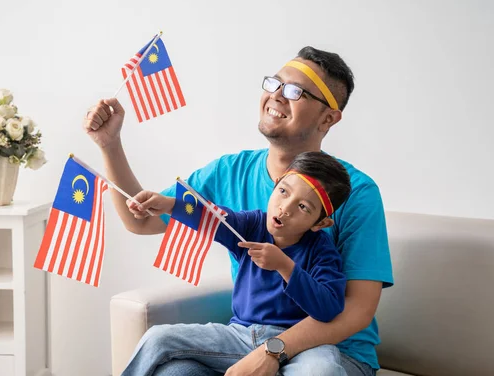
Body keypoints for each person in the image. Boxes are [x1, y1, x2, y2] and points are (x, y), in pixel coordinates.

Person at [83, 46, 393, 376]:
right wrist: (110, 144)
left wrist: (273, 352)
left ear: (328, 117)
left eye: (294, 91)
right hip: (245, 338)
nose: (276, 96)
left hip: (333, 353)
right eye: (274, 83)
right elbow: (141, 219)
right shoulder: (228, 172)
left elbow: (357, 311)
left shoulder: (355, 192)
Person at [121, 151, 352, 376]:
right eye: (283, 191)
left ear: (320, 223)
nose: (286, 208)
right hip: (241, 336)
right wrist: (172, 205)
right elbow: (216, 219)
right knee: (157, 338)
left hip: (300, 347)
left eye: (303, 207)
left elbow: (328, 308)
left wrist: (285, 266)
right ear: (276, 185)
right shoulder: (252, 225)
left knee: (323, 370)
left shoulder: (323, 252)